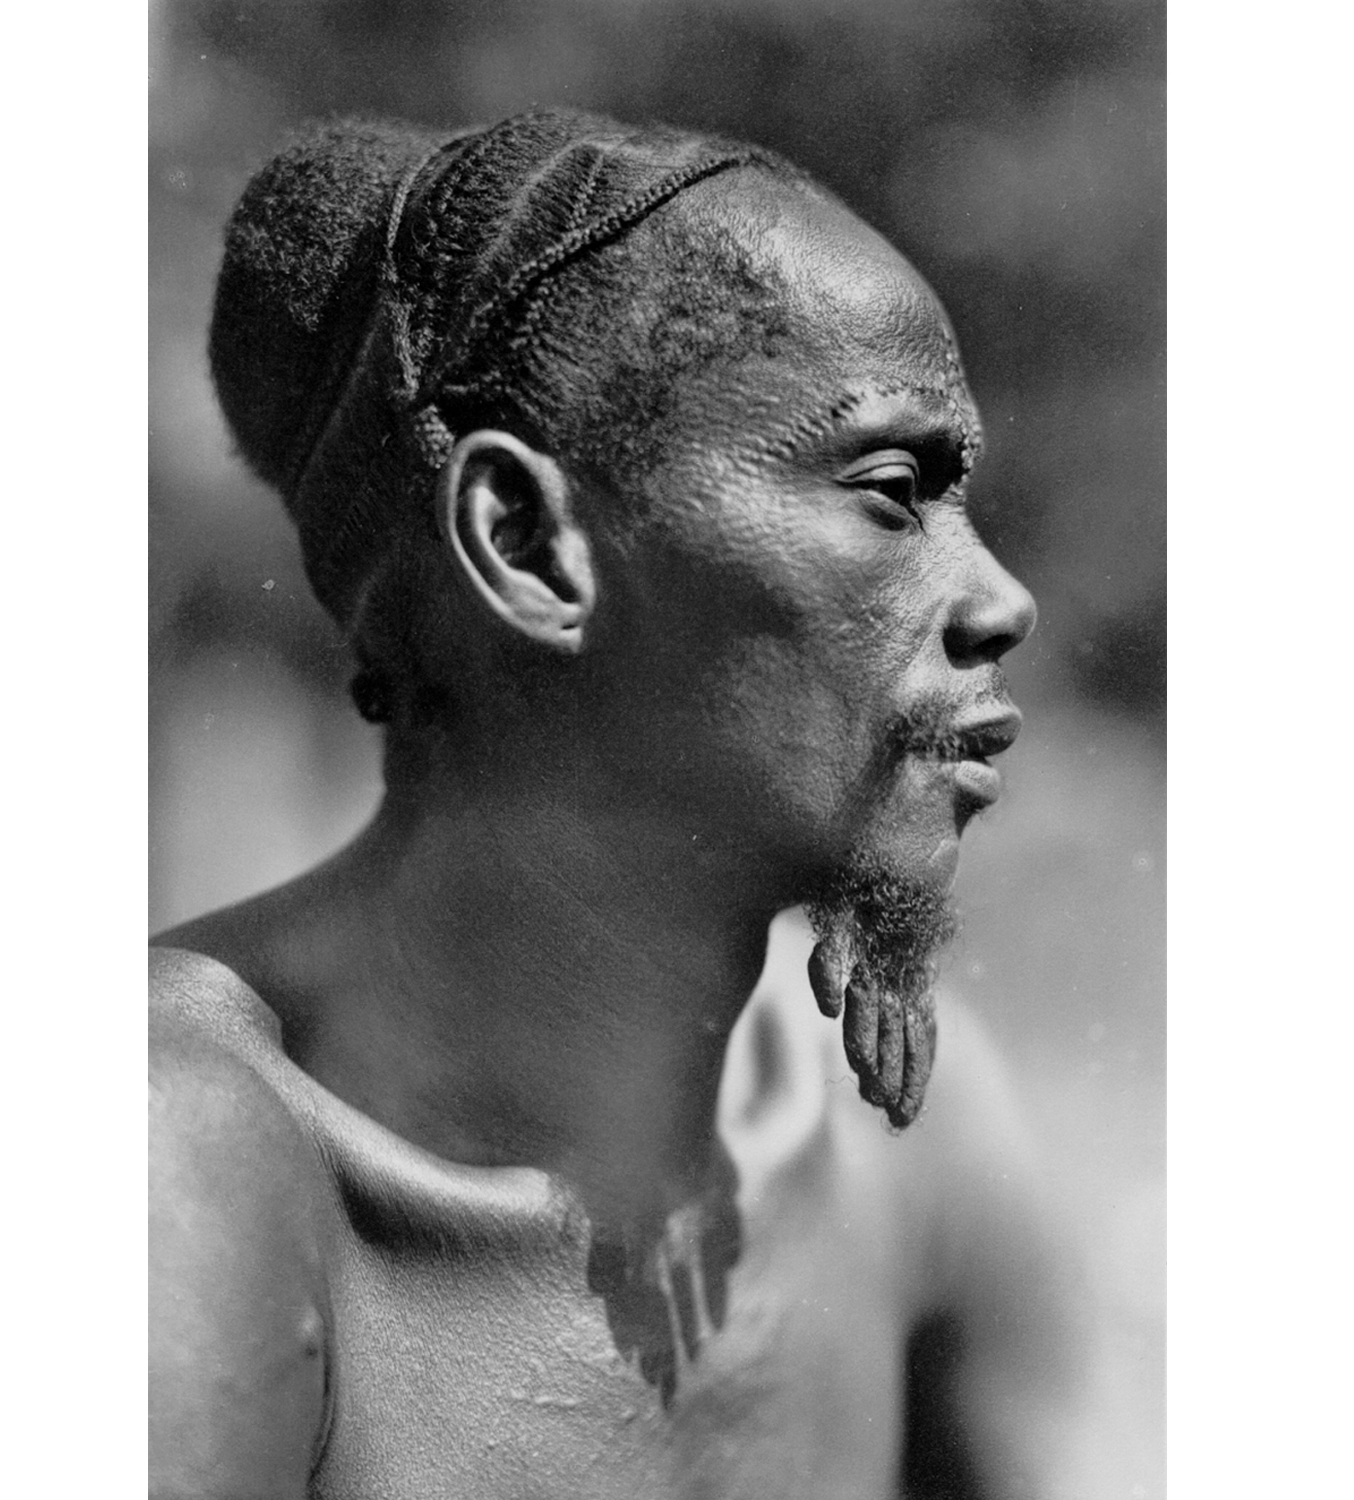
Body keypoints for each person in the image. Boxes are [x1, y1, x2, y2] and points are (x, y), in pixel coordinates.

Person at [150, 108, 1103, 1498]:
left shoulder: (898, 1144)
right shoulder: (174, 1167)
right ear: (529, 543)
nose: (1001, 600)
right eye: (895, 492)